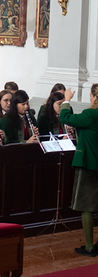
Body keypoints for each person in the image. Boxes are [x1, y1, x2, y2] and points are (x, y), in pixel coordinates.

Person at [59, 84, 98, 257]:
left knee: (86, 207)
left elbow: (65, 116)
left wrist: (67, 99)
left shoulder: (90, 114)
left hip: (89, 164)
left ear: (94, 97)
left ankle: (89, 247)